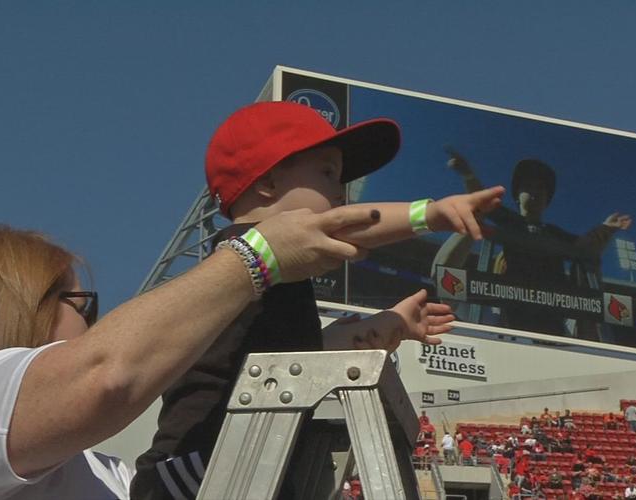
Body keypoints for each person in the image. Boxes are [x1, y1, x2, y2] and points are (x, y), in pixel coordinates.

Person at [131, 102, 505, 498]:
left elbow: (320, 351)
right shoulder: (244, 253)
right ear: (268, 184)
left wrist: (393, 322)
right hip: (195, 470)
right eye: (327, 172)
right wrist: (430, 214)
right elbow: (345, 230)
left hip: (250, 465)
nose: (340, 193)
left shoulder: (279, 289)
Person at [0, 209, 383, 498]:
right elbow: (106, 375)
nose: (92, 322)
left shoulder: (106, 473)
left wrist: (318, 347)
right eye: (81, 303)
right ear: (20, 306)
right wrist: (257, 256)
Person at [435, 150, 632, 338]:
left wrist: (606, 228)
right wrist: (468, 175)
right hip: (511, 309)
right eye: (528, 187)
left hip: (552, 316)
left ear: (548, 200)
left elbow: (585, 247)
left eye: (541, 189)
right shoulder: (510, 221)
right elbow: (482, 202)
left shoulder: (554, 233)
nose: (535, 192)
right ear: (517, 195)